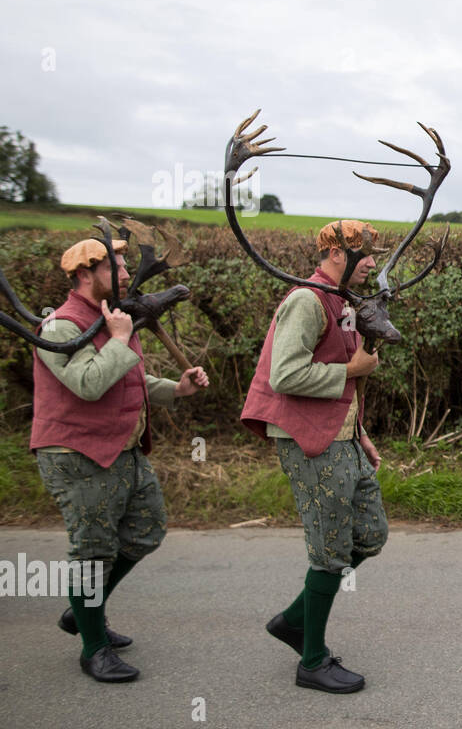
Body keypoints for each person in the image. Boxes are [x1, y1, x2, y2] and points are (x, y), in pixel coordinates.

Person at [33, 237, 208, 682]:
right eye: (117, 267)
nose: (128, 275)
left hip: (123, 450)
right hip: (77, 454)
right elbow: (88, 384)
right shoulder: (58, 328)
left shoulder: (111, 319)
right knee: (92, 552)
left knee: (147, 530)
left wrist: (176, 389)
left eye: (127, 265)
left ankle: (82, 612)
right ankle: (94, 648)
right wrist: (120, 338)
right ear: (84, 275)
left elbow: (129, 378)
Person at [241, 221, 387, 693]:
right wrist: (352, 370)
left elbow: (345, 378)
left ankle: (293, 620)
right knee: (330, 551)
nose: (371, 262)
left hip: (340, 436)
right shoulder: (306, 300)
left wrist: (359, 431)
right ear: (337, 255)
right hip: (307, 439)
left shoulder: (342, 301)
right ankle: (312, 661)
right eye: (364, 254)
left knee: (369, 535)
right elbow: (284, 375)